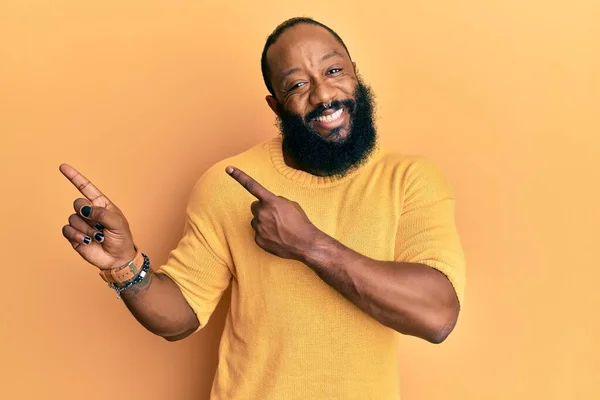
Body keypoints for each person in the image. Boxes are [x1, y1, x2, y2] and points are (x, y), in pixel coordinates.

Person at [60, 17, 466, 400]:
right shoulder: (228, 182)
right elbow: (180, 317)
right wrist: (125, 265)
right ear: (276, 106)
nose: (324, 95)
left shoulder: (410, 178)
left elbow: (437, 317)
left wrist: (308, 245)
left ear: (355, 74)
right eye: (297, 86)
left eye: (334, 71)